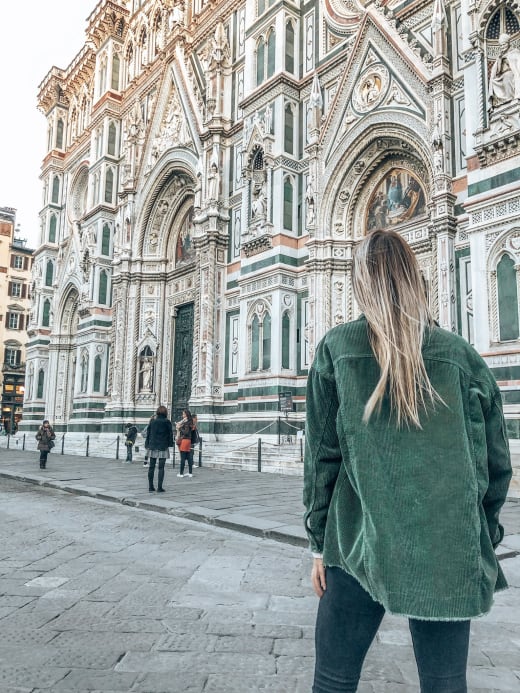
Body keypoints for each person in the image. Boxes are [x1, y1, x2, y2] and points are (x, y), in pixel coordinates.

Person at [303, 229, 512, 693]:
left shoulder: (336, 349)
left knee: (334, 682)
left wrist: (319, 542)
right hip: (448, 553)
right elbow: (495, 467)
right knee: (444, 685)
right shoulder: (462, 357)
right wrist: (482, 536)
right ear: (419, 280)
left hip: (357, 547)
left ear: (359, 283)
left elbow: (321, 460)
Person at [145, 405, 173, 492]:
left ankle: (150, 487)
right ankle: (159, 487)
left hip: (153, 446)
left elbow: (148, 433)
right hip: (163, 446)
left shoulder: (152, 422)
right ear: (165, 413)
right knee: (161, 467)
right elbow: (170, 434)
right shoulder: (167, 422)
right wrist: (170, 444)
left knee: (151, 467)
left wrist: (147, 444)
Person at [176, 409, 193, 478]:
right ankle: (190, 473)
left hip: (185, 440)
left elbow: (186, 432)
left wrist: (180, 428)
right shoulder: (189, 421)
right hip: (188, 440)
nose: (182, 415)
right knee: (188, 457)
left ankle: (181, 473)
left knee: (182, 457)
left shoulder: (186, 423)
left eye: (183, 414)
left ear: (186, 415)